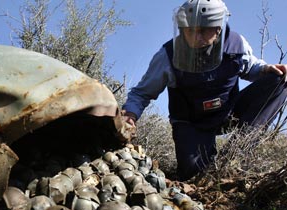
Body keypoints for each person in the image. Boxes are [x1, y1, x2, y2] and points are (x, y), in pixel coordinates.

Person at [122, 0, 287, 181]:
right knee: (196, 176)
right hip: (192, 123)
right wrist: (130, 114)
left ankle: (236, 155)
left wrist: (265, 69)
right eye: (190, 30)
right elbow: (141, 93)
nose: (195, 37)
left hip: (227, 113)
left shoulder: (236, 44)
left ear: (218, 28)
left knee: (280, 78)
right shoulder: (167, 56)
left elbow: (250, 67)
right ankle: (200, 163)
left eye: (203, 30)